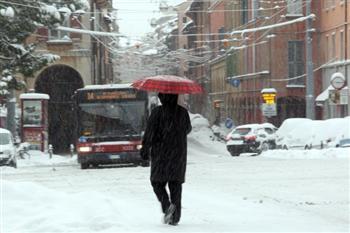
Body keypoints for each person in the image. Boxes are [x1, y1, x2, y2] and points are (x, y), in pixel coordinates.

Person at [140, 93, 192, 225]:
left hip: (160, 155)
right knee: (176, 186)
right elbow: (188, 129)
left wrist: (145, 149)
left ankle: (166, 205)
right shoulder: (182, 112)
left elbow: (149, 132)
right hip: (178, 155)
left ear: (161, 98)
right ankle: (175, 218)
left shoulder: (157, 112)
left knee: (157, 182)